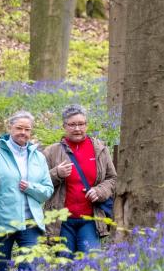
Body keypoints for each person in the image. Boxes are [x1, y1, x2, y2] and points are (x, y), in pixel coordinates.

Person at [0, 110, 54, 271]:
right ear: (10, 127)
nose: (23, 132)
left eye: (27, 129)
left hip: (30, 222)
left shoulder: (38, 157)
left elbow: (48, 190)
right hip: (2, 220)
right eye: (19, 128)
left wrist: (30, 187)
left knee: (29, 270)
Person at [42, 104, 117, 255]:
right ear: (64, 126)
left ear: (87, 125)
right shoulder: (51, 151)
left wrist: (99, 191)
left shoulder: (100, 149)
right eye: (72, 125)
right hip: (61, 221)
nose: (77, 129)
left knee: (90, 262)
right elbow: (39, 182)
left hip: (90, 218)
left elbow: (112, 178)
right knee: (64, 264)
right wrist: (57, 173)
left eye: (81, 124)